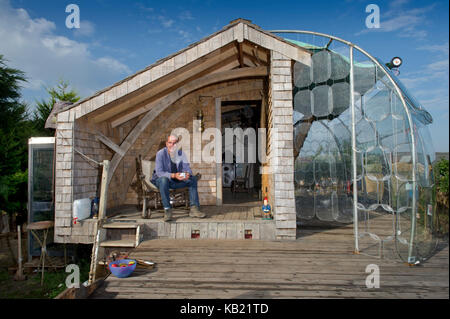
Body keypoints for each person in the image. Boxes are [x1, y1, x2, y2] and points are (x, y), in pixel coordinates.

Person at [151, 135, 206, 222]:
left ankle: (194, 209)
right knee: (164, 180)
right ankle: (167, 210)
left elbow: (187, 168)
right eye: (170, 143)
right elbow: (159, 172)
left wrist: (186, 174)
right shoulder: (160, 154)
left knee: (193, 179)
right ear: (166, 144)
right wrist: (174, 175)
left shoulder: (181, 153)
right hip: (161, 180)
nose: (172, 145)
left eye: (174, 143)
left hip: (176, 180)